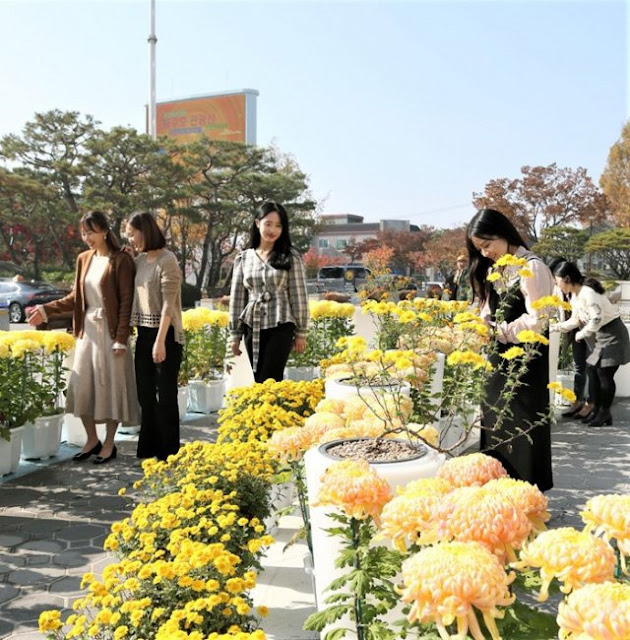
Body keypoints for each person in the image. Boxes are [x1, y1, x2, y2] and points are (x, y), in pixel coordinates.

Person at [28, 210, 138, 464]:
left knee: (111, 387)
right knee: (83, 385)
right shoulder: (84, 259)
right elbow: (75, 297)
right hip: (87, 331)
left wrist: (122, 338)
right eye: (83, 232)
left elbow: (126, 302)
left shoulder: (121, 260)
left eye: (91, 232)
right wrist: (45, 310)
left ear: (105, 231)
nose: (86, 237)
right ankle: (91, 439)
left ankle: (109, 443)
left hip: (111, 334)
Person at [467, 208, 555, 491]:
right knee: (494, 420)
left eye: (487, 244)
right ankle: (498, 493)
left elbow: (538, 319)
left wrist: (500, 332)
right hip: (497, 358)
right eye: (479, 248)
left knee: (521, 425)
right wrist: (480, 324)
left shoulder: (532, 267)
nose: (484, 253)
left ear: (504, 235)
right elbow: (487, 309)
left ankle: (525, 495)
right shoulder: (496, 268)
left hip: (524, 362)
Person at [125, 212, 184, 461]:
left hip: (166, 335)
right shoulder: (139, 261)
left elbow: (169, 304)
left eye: (131, 233)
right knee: (145, 394)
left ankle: (169, 451)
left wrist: (160, 341)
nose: (130, 238)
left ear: (144, 230)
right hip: (144, 334)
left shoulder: (167, 260)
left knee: (166, 394)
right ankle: (149, 449)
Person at [229, 201, 309, 383]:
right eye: (268, 224)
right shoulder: (243, 258)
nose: (273, 230)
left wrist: (301, 332)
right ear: (257, 223)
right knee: (259, 378)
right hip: (252, 324)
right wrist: (235, 334)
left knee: (271, 377)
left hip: (281, 324)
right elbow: (237, 298)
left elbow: (299, 296)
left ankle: (272, 410)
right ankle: (268, 411)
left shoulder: (290, 257)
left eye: (278, 225)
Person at [552, 261, 630, 427]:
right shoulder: (575, 295)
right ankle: (600, 412)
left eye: (557, 280)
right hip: (601, 334)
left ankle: (603, 412)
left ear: (567, 278)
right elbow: (575, 319)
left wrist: (582, 333)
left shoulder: (588, 293)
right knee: (593, 370)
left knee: (604, 374)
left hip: (612, 333)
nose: (556, 284)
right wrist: (554, 327)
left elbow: (597, 317)